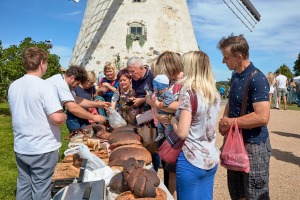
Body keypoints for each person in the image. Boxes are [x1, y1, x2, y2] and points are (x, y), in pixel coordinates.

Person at [8, 47, 66, 200]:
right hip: (42, 147)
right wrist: (64, 115)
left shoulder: (13, 85)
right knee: (41, 188)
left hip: (21, 145)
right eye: (46, 62)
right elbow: (57, 118)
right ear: (41, 63)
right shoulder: (45, 86)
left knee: (24, 185)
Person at [217, 34, 271, 200]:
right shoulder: (235, 76)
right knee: (237, 192)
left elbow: (262, 117)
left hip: (254, 146)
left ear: (239, 57)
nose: (223, 61)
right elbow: (231, 102)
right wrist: (224, 120)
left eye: (226, 58)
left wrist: (231, 122)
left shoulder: (258, 79)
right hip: (235, 142)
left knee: (255, 195)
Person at [170, 51, 220, 200]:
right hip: (211, 155)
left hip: (191, 158)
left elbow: (182, 132)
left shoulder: (189, 94)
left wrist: (172, 120)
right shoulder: (214, 94)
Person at [146, 51, 184, 199]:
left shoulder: (181, 85)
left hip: (176, 134)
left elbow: (179, 106)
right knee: (169, 173)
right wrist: (158, 112)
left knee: (174, 175)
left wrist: (153, 102)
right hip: (167, 133)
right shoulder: (166, 85)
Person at [47, 65, 111, 124]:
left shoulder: (61, 80)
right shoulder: (61, 84)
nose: (76, 86)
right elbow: (73, 108)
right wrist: (94, 117)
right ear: (72, 78)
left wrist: (98, 104)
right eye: (77, 84)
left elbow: (77, 100)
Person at [152, 74, 175, 141]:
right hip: (161, 113)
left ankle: (170, 137)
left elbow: (171, 99)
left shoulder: (166, 93)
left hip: (167, 114)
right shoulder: (159, 93)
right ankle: (161, 133)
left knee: (169, 127)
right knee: (160, 125)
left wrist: (163, 103)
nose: (155, 89)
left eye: (157, 88)